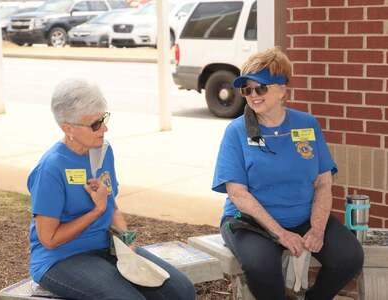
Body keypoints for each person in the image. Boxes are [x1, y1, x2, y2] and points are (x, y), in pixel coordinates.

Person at [212, 47, 363, 300]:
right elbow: (237, 194)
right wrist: (280, 233)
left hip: (302, 216)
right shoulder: (236, 131)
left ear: (282, 89)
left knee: (350, 257)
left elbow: (323, 183)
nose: (252, 95)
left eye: (260, 88)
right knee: (262, 267)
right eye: (246, 89)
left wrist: (316, 229)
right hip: (250, 222)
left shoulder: (307, 124)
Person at [27, 78, 196, 300]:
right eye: (95, 124)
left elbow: (112, 206)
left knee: (182, 291)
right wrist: (95, 211)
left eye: (104, 119)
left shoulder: (102, 151)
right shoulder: (51, 168)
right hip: (61, 259)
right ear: (67, 128)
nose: (104, 128)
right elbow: (49, 239)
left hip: (107, 247)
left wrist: (128, 242)